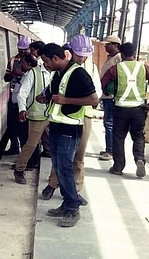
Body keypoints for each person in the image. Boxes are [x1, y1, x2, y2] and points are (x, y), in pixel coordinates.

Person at [37, 43, 98, 227]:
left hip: (70, 131)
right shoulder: (58, 74)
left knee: (65, 168)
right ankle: (66, 203)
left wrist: (66, 100)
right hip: (57, 127)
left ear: (55, 58)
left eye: (46, 61)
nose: (45, 65)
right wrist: (45, 96)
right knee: (59, 166)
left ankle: (73, 208)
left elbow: (94, 100)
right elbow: (55, 93)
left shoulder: (78, 73)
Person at [101, 42, 149, 178]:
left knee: (118, 137)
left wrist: (108, 92)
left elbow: (103, 82)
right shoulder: (144, 68)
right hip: (139, 109)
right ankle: (139, 159)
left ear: (121, 54)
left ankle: (118, 167)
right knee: (138, 136)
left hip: (120, 108)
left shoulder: (115, 69)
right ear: (134, 53)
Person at [13, 51, 50, 184]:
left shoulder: (59, 73)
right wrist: (22, 109)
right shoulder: (33, 73)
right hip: (37, 115)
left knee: (55, 147)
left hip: (54, 115)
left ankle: (55, 180)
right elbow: (22, 93)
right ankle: (19, 169)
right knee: (31, 144)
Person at [3, 36, 31, 155]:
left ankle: (25, 150)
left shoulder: (33, 61)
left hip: (27, 97)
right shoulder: (12, 60)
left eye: (25, 49)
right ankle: (14, 146)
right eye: (21, 49)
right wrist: (12, 74)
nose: (23, 52)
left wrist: (21, 73)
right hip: (14, 95)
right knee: (11, 124)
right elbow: (6, 78)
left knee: (23, 126)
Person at [99, 35, 122, 161]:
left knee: (109, 123)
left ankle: (110, 151)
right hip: (106, 95)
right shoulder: (110, 57)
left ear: (116, 45)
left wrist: (108, 89)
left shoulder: (119, 58)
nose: (105, 46)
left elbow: (118, 77)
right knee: (108, 123)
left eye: (108, 44)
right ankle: (109, 148)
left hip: (111, 95)